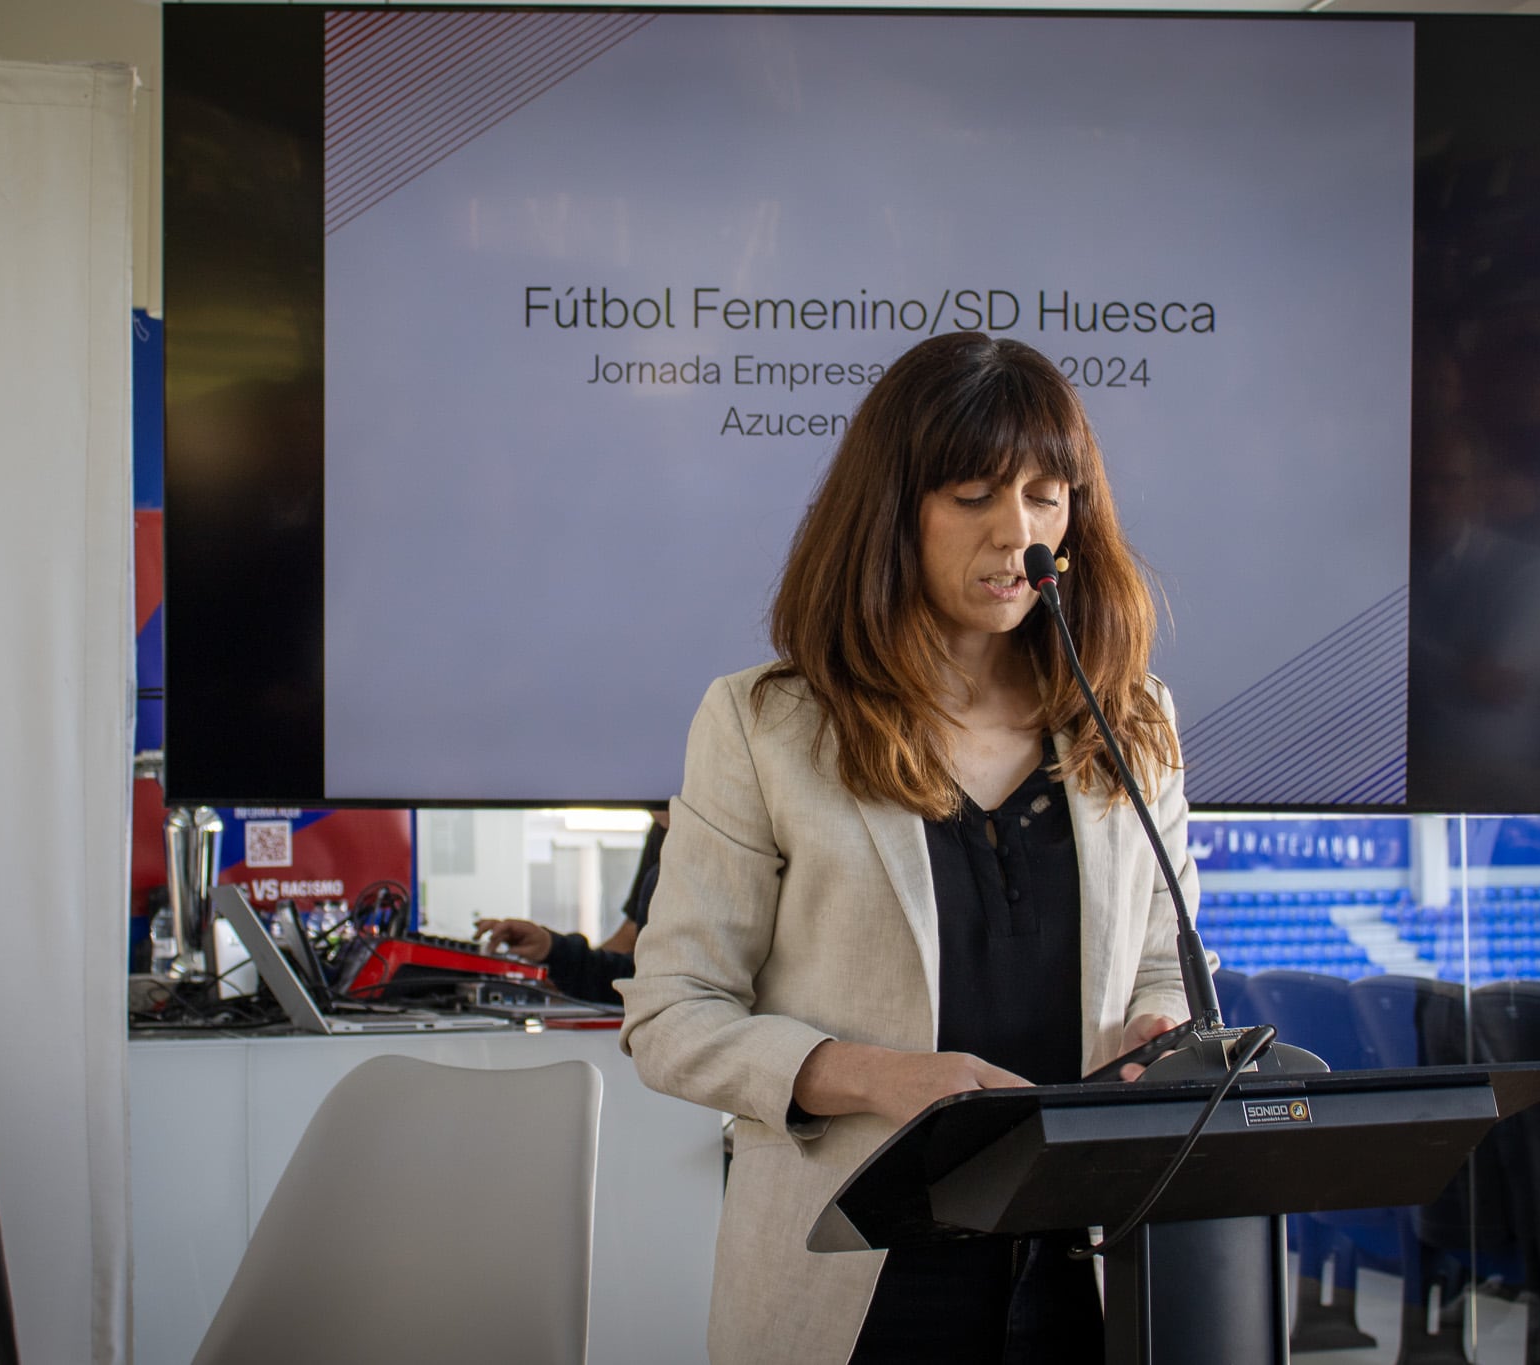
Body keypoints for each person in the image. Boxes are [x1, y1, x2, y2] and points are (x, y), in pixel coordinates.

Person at [617, 331, 1197, 1364]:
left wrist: (1152, 1028)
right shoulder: (764, 726)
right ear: (893, 510)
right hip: (851, 1281)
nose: (1017, 533)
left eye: (1044, 494)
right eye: (973, 494)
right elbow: (671, 1014)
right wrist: (866, 1075)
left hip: (1082, 1272)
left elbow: (1163, 958)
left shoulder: (1131, 717)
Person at [477, 814, 666, 1005]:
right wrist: (552, 950)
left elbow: (654, 987)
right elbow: (638, 977)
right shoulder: (664, 836)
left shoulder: (677, 860)